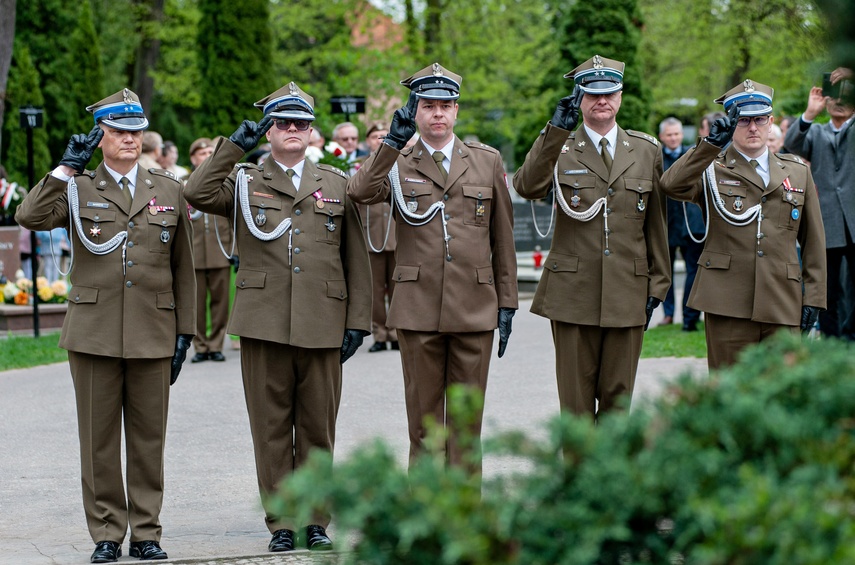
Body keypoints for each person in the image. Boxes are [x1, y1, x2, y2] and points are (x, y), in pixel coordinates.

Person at [184, 82, 372, 553]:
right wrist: (231, 148)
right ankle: (282, 521)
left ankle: (316, 520)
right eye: (284, 122)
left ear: (312, 131)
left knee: (317, 427)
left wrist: (358, 320)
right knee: (270, 427)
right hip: (264, 319)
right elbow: (197, 191)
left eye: (301, 123)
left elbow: (356, 256)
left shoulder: (333, 181)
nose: (294, 129)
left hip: (323, 319)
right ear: (269, 130)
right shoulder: (244, 179)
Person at [15, 88, 195, 563]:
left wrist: (185, 332)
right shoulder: (77, 188)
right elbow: (28, 215)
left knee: (148, 438)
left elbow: (184, 267)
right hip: (94, 330)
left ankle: (148, 531)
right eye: (118, 132)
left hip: (153, 330)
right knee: (98, 440)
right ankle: (107, 533)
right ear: (100, 137)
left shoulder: (168, 189)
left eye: (135, 131)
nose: (130, 139)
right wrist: (63, 169)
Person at [347, 63, 518, 474]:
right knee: (424, 425)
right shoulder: (397, 159)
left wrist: (507, 301)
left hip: (474, 307)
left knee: (466, 427)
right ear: (416, 111)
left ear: (457, 110)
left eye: (445, 105)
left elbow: (502, 236)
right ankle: (424, 520)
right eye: (428, 105)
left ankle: (462, 523)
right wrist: (390, 143)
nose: (437, 113)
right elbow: (359, 192)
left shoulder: (485, 160)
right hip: (418, 307)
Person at [513, 55, 670, 421]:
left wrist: (657, 285)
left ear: (620, 96)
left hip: (627, 290)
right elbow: (527, 185)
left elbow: (655, 226)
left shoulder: (646, 150)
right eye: (593, 94)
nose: (602, 100)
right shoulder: (560, 146)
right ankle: (578, 479)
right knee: (576, 404)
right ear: (580, 98)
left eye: (609, 92)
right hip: (572, 293)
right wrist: (554, 130)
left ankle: (609, 480)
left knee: (618, 404)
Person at [661, 79, 827, 368]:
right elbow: (671, 185)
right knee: (728, 391)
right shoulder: (711, 167)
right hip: (727, 300)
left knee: (781, 394)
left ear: (770, 121)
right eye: (743, 120)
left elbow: (814, 242)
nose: (752, 127)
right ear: (731, 123)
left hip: (782, 300)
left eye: (760, 119)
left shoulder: (797, 172)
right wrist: (709, 146)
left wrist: (814, 297)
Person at [784, 67, 855, 340]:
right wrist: (809, 114)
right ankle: (832, 340)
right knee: (828, 288)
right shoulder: (816, 133)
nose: (839, 100)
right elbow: (791, 142)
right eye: (835, 95)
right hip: (828, 223)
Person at [186, 137, 233, 362]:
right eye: (201, 154)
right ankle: (200, 346)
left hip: (220, 250)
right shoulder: (184, 184)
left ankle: (216, 345)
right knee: (195, 304)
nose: (205, 157)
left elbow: (235, 220)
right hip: (193, 252)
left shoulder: (224, 183)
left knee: (220, 302)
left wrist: (236, 251)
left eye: (209, 154)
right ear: (193, 158)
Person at [658, 117, 703, 331]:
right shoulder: (656, 158)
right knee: (664, 271)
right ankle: (668, 313)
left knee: (692, 270)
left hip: (687, 224)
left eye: (676, 134)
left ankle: (689, 313)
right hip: (665, 223)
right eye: (669, 134)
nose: (674, 138)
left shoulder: (690, 155)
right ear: (662, 137)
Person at [359, 122, 399, 352]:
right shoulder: (360, 166)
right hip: (370, 236)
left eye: (384, 136)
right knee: (374, 292)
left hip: (396, 236)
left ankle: (395, 333)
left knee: (397, 290)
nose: (380, 140)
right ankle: (379, 335)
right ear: (368, 141)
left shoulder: (400, 164)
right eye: (375, 136)